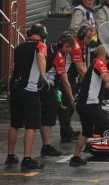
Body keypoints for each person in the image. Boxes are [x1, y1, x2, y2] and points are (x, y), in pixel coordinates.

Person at [70, 45, 109, 169]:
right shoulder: (99, 62)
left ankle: (75, 158)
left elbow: (107, 83)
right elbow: (106, 77)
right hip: (91, 105)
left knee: (86, 132)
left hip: (84, 105)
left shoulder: (95, 65)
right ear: (105, 55)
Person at [5, 24, 48, 170]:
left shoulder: (19, 47)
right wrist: (42, 76)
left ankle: (10, 155)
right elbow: (41, 56)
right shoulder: (40, 45)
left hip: (15, 88)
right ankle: (27, 158)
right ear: (42, 35)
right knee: (31, 125)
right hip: (29, 90)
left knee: (14, 124)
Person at [40, 34, 75, 156]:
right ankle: (47, 146)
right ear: (61, 44)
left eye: (71, 47)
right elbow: (65, 80)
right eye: (67, 47)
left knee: (44, 120)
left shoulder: (48, 48)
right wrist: (71, 98)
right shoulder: (58, 56)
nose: (69, 50)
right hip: (47, 87)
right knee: (48, 120)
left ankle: (46, 145)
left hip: (39, 86)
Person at [58, 26, 93, 142]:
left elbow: (83, 66)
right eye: (88, 37)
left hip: (70, 76)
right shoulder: (76, 46)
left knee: (69, 107)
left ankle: (67, 130)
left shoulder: (80, 45)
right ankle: (66, 133)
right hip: (65, 77)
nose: (90, 40)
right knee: (68, 105)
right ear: (82, 35)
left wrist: (90, 78)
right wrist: (90, 83)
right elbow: (80, 68)